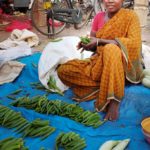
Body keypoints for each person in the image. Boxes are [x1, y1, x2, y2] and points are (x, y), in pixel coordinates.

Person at [57, 0, 143, 121]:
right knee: (64, 70)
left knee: (111, 49)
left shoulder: (130, 16)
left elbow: (134, 44)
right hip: (99, 63)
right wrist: (87, 44)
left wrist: (101, 41)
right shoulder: (98, 17)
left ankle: (114, 101)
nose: (111, 1)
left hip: (121, 66)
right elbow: (94, 43)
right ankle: (107, 84)